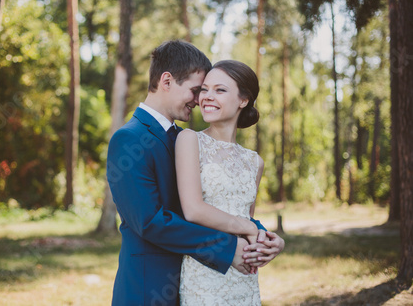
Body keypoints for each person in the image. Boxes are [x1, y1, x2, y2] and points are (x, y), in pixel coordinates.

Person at [106, 40, 283, 306]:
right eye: (196, 90)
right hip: (149, 289)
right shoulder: (129, 139)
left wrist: (263, 236)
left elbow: (218, 205)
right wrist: (226, 248)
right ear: (167, 81)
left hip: (195, 281)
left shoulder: (186, 140)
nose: (200, 99)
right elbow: (151, 221)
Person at [176, 60, 282, 305]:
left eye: (219, 90)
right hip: (204, 275)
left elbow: (248, 220)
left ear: (243, 100)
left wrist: (270, 241)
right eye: (204, 90)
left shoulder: (254, 161)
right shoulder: (190, 140)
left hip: (243, 278)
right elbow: (193, 210)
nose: (207, 97)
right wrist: (248, 228)